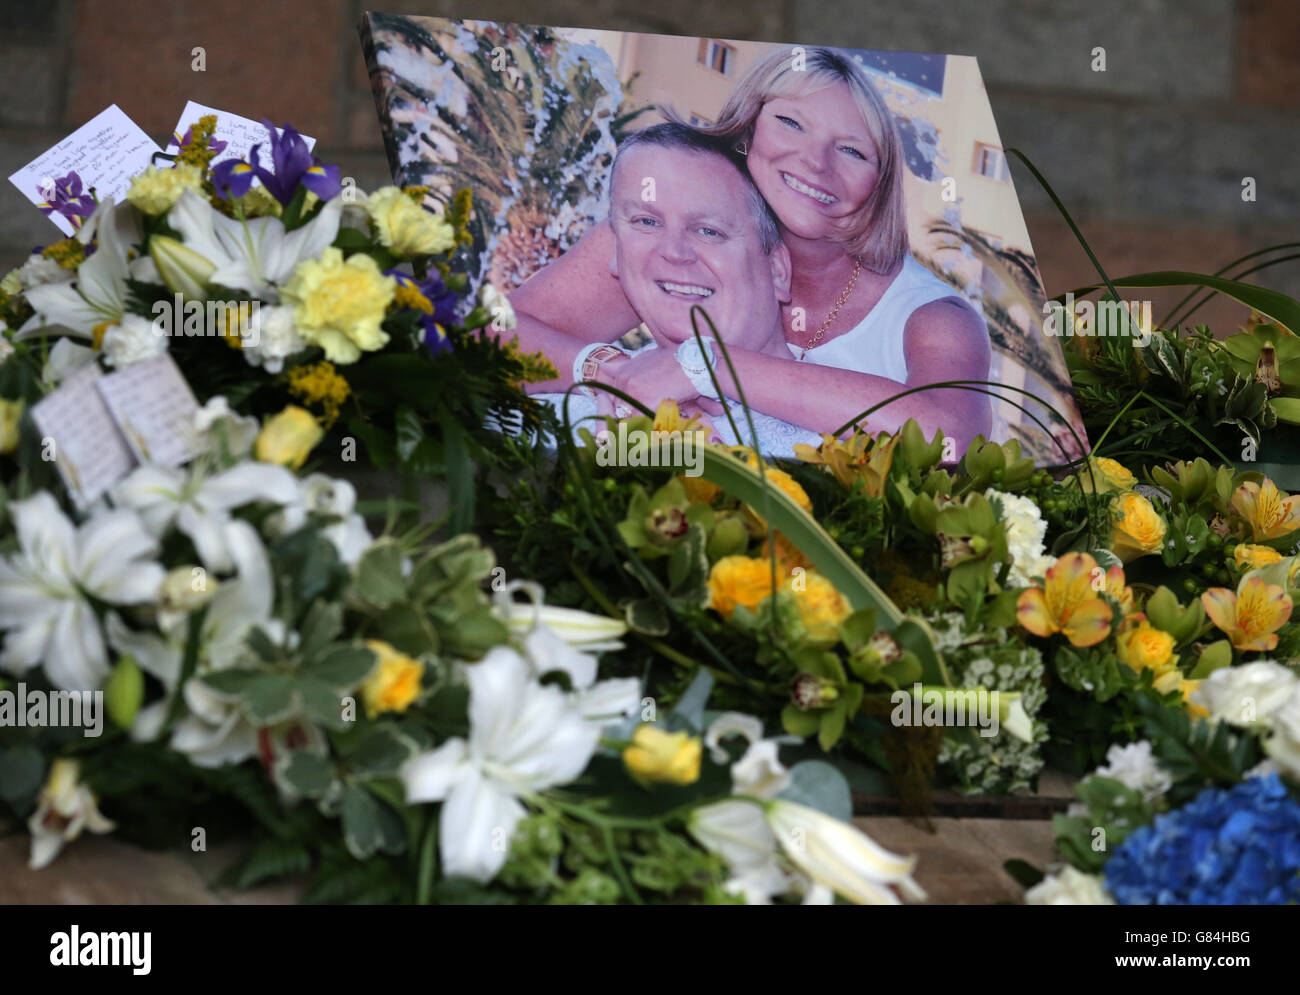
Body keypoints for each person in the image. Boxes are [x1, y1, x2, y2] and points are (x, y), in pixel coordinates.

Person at [514, 46, 992, 452]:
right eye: (791, 122)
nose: (815, 162)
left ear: (880, 185)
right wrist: (608, 369)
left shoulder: (930, 316)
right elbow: (487, 335)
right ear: (747, 129)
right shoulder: (676, 243)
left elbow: (951, 438)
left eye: (852, 151)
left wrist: (700, 368)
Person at [530, 123, 824, 458]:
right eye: (647, 222)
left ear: (778, 271)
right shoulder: (552, 422)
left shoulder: (854, 439)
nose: (674, 251)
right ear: (615, 254)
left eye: (709, 231)